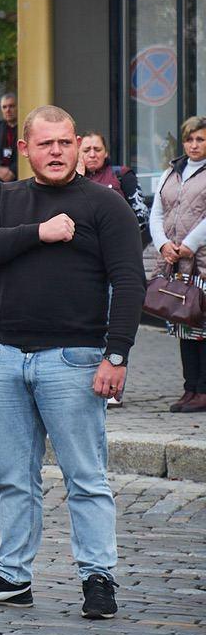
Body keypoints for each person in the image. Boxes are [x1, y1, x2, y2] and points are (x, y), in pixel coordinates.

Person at [0, 105, 143, 621]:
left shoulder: (105, 204)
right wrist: (39, 232)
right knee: (14, 476)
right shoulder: (4, 197)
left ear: (79, 143)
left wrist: (117, 354)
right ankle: (13, 577)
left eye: (64, 142)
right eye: (45, 144)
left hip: (76, 361)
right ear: (26, 149)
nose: (56, 152)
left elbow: (129, 281)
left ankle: (98, 577)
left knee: (86, 476)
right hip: (8, 357)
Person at [148, 116, 206, 414]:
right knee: (183, 324)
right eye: (190, 139)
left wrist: (189, 244)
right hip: (175, 264)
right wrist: (163, 244)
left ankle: (203, 390)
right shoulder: (171, 172)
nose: (194, 145)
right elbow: (156, 213)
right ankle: (189, 388)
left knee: (202, 326)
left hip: (201, 264)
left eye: (200, 139)